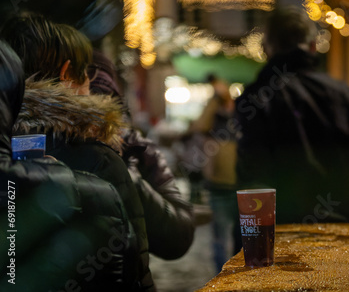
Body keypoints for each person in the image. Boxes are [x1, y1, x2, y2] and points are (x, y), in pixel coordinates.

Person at [1, 14, 158, 290]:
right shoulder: (98, 157)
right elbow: (133, 275)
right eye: (86, 73)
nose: (90, 84)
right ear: (66, 73)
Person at [235, 6, 349, 224]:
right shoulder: (348, 96)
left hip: (285, 233)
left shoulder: (258, 98)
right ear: (313, 47)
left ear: (267, 50)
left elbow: (253, 180)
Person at [87, 49, 195, 260]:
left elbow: (179, 238)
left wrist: (128, 176)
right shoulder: (53, 150)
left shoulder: (138, 150)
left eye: (104, 108)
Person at [187, 73, 239, 272]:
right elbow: (200, 126)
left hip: (239, 184)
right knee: (219, 233)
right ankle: (222, 272)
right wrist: (213, 102)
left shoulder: (241, 114)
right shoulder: (213, 116)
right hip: (219, 183)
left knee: (240, 234)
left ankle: (239, 273)